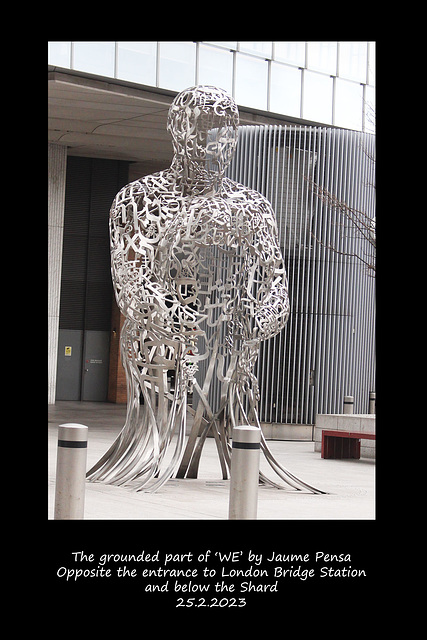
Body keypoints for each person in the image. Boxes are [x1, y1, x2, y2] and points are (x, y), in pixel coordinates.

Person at [87, 86, 322, 494]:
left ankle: (237, 450)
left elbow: (275, 284)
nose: (218, 142)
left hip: (232, 348)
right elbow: (131, 281)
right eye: (207, 127)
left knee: (232, 374)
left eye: (227, 130)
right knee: (157, 356)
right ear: (179, 129)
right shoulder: (137, 199)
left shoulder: (252, 206)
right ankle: (154, 452)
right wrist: (175, 318)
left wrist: (262, 316)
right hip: (163, 348)